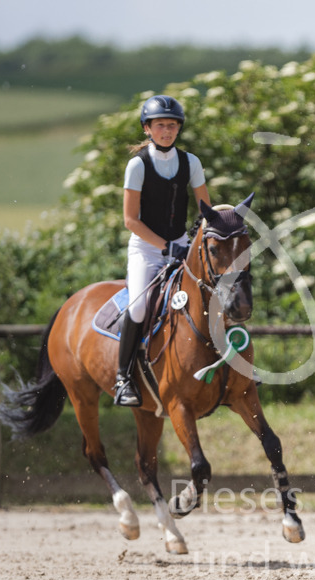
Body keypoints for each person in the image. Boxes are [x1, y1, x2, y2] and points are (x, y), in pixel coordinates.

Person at [114, 94, 211, 407]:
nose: (166, 131)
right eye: (160, 125)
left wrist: (205, 233)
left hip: (182, 245)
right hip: (146, 249)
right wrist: (167, 247)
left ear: (178, 129)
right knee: (139, 308)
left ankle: (228, 362)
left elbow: (204, 207)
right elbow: (130, 220)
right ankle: (123, 377)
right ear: (147, 128)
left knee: (215, 291)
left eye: (172, 125)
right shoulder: (137, 165)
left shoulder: (190, 162)